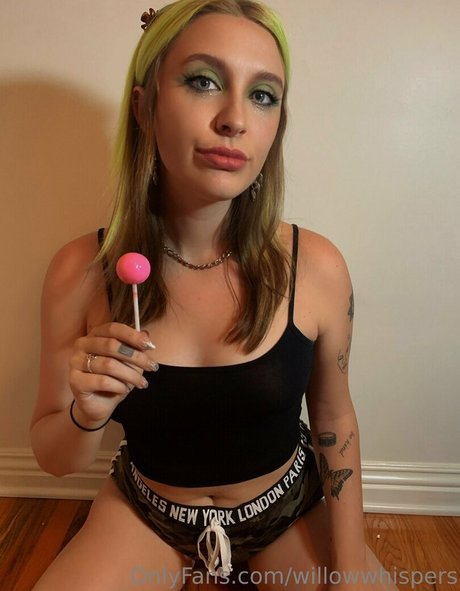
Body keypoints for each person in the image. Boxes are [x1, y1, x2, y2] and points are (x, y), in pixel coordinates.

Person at [30, 1, 398, 589]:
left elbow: (334, 417)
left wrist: (348, 568)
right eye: (203, 81)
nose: (235, 119)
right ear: (144, 106)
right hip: (147, 513)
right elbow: (55, 459)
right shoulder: (82, 271)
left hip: (286, 511)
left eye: (263, 95)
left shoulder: (316, 267)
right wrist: (86, 414)